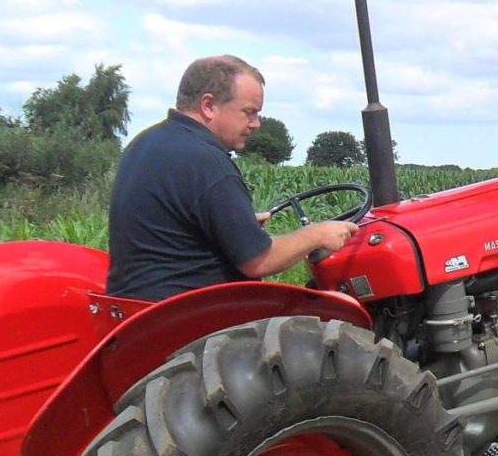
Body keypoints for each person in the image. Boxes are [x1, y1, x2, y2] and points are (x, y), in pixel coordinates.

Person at [105, 54, 360, 301]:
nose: (256, 124)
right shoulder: (207, 161)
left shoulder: (145, 143)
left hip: (140, 303)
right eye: (249, 112)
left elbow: (172, 232)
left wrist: (238, 226)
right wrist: (315, 234)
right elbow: (259, 261)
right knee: (338, 308)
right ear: (208, 105)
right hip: (193, 313)